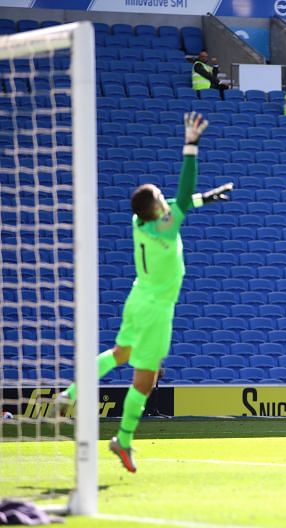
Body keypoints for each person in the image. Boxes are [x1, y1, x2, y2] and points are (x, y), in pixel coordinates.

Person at [55, 113, 233, 472]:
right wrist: (191, 147)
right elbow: (180, 195)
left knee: (120, 353)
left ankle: (70, 393)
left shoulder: (139, 222)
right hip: (156, 309)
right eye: (159, 202)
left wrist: (205, 200)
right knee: (146, 378)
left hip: (137, 297)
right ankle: (123, 439)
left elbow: (175, 201)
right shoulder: (165, 229)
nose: (164, 202)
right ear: (156, 213)